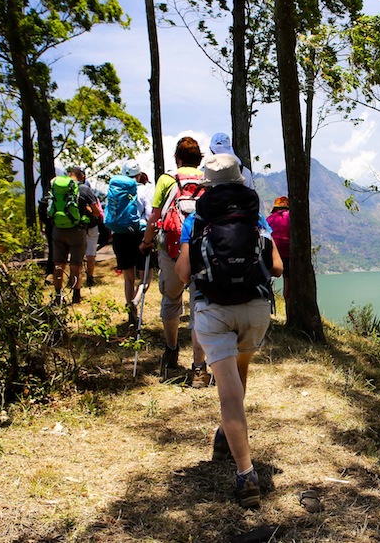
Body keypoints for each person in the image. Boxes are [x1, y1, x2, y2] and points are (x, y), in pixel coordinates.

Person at [175, 153, 283, 509]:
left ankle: (246, 475)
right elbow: (277, 268)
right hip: (254, 310)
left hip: (214, 310)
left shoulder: (197, 217)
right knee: (240, 372)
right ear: (239, 182)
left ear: (207, 185)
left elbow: (183, 274)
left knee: (228, 396)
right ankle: (225, 435)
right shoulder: (256, 218)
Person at [140, 136, 205, 379]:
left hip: (172, 249)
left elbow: (155, 215)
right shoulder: (207, 179)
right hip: (202, 250)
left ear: (177, 158)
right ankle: (199, 367)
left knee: (171, 299)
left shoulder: (167, 180)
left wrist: (146, 242)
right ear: (199, 160)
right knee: (200, 305)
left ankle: (171, 350)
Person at [107, 159, 148, 334]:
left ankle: (131, 312)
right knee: (145, 277)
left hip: (119, 235)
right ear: (139, 175)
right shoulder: (145, 190)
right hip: (138, 234)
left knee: (128, 277)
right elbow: (148, 213)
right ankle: (136, 299)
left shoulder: (116, 189)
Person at [51, 166, 99, 305]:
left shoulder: (56, 187)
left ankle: (58, 296)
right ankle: (76, 296)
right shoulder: (84, 189)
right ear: (82, 176)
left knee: (59, 264)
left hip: (58, 229)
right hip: (77, 231)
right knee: (75, 265)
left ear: (69, 175)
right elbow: (96, 212)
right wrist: (87, 211)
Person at [75, 168, 103, 288]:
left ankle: (76, 280)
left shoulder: (72, 194)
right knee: (91, 254)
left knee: (78, 255)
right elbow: (98, 212)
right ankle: (90, 277)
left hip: (77, 227)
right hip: (91, 226)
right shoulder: (90, 194)